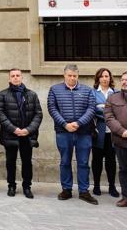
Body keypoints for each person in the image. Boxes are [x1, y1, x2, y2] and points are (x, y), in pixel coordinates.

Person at [48, 64, 98, 205]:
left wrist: (79, 123)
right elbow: (52, 108)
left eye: (74, 76)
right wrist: (65, 124)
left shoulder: (87, 91)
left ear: (78, 76)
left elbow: (91, 108)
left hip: (83, 132)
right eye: (69, 75)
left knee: (83, 162)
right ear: (64, 75)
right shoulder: (55, 90)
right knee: (65, 161)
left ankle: (83, 191)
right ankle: (66, 189)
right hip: (63, 132)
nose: (72, 78)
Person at [0, 68, 43, 199]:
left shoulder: (32, 95)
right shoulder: (3, 94)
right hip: (10, 135)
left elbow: (38, 114)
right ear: (9, 78)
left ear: (22, 77)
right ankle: (11, 185)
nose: (15, 78)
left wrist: (28, 129)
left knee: (27, 162)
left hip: (27, 135)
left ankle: (27, 186)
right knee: (10, 161)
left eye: (18, 75)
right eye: (13, 76)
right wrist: (13, 129)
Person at [91, 67, 119, 197]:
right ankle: (96, 185)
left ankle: (112, 186)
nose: (104, 78)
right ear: (98, 78)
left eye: (106, 76)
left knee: (111, 161)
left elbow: (118, 113)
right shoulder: (92, 93)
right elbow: (92, 111)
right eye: (101, 76)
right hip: (98, 132)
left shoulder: (116, 93)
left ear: (110, 78)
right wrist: (108, 113)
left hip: (112, 133)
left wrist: (102, 110)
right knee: (96, 161)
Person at [104, 71, 127, 207]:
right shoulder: (113, 98)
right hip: (121, 141)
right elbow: (109, 117)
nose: (124, 82)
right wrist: (122, 131)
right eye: (123, 80)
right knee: (124, 170)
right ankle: (126, 196)